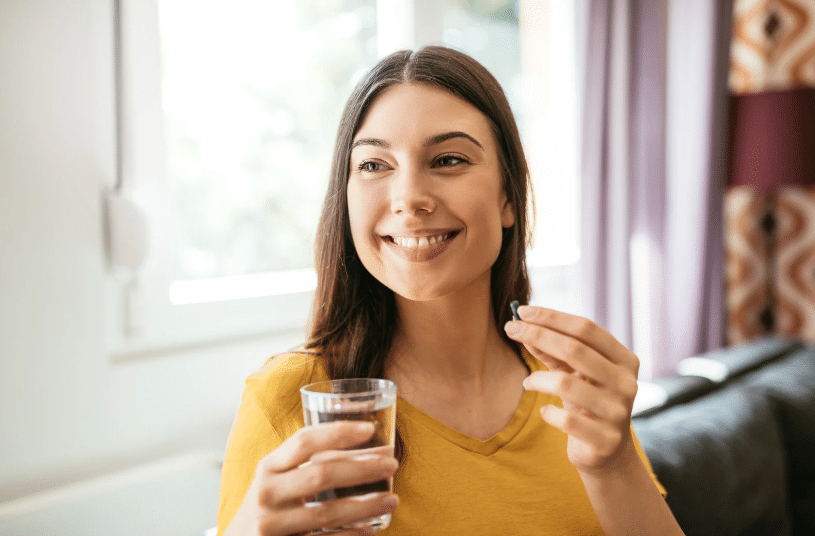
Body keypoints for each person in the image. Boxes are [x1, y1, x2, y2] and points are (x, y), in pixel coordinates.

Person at [217, 46, 685, 536]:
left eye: (448, 159)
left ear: (509, 197)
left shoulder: (571, 386)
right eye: (375, 165)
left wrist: (614, 466)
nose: (409, 198)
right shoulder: (288, 399)